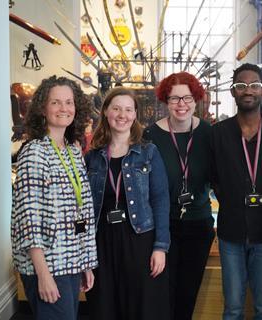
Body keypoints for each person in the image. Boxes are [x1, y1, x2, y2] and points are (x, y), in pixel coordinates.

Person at [11, 75, 97, 320]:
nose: (64, 109)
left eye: (69, 102)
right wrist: (43, 274)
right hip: (47, 265)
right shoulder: (34, 152)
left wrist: (85, 262)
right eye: (56, 102)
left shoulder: (72, 150)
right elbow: (29, 219)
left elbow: (82, 213)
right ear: (43, 108)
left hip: (70, 261)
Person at [211, 63, 262, 319]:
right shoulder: (218, 133)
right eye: (241, 85)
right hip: (230, 234)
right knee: (233, 307)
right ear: (233, 92)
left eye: (254, 85)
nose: (248, 90)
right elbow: (214, 179)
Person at [85, 87, 170, 320]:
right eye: (116, 108)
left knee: (141, 308)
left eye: (128, 109)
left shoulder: (148, 152)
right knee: (105, 307)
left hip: (140, 239)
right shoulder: (92, 157)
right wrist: (83, 253)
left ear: (135, 115)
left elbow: (161, 200)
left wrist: (160, 247)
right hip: (102, 241)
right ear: (105, 112)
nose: (122, 115)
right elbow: (81, 208)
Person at [143, 72, 215, 320]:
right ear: (165, 100)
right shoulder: (150, 136)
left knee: (188, 293)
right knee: (163, 292)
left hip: (199, 224)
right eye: (174, 98)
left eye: (187, 97)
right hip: (163, 227)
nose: (181, 104)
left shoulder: (209, 133)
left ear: (196, 100)